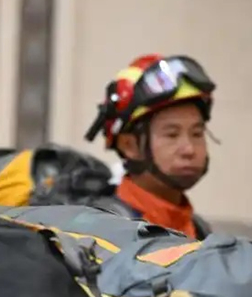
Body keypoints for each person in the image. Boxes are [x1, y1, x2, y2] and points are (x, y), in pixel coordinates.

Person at [85, 54, 215, 239]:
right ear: (129, 145)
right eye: (172, 134)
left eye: (197, 133)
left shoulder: (200, 230)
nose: (189, 150)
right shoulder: (102, 230)